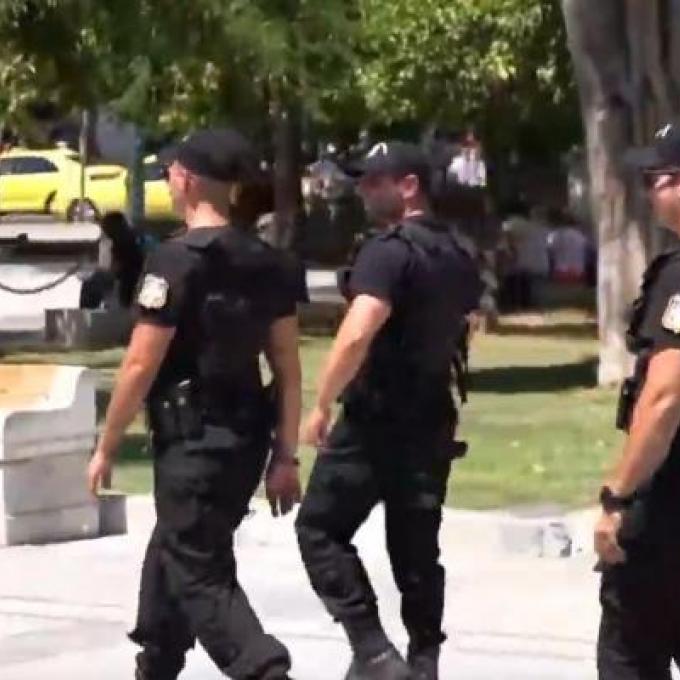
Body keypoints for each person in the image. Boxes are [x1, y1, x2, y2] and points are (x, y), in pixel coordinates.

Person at [87, 128, 302, 680]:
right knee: (177, 548)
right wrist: (285, 455)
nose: (167, 180)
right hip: (244, 444)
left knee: (200, 570)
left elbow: (140, 364)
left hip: (192, 446)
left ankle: (264, 669)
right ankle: (157, 664)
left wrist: (106, 447)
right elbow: (287, 366)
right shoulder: (269, 262)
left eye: (169, 172)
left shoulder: (174, 262)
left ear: (185, 179)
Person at [295, 141, 482, 680]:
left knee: (319, 529)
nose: (363, 191)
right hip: (432, 415)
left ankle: (374, 651)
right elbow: (466, 325)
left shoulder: (387, 251)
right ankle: (423, 661)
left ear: (409, 186)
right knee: (416, 549)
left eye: (375, 182)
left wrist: (321, 402)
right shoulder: (457, 252)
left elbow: (358, 331)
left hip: (375, 420)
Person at [595, 121, 680, 680]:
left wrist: (618, 497)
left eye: (658, 178)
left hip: (669, 512)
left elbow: (667, 396)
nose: (649, 191)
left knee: (630, 656)